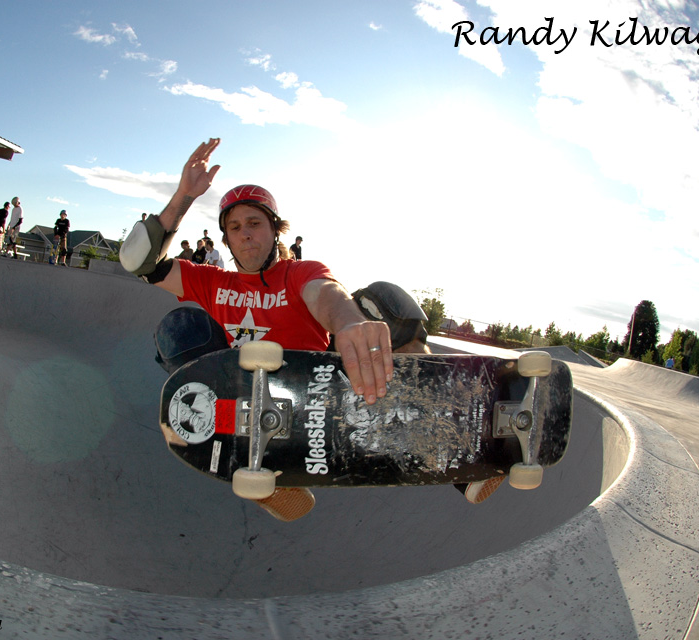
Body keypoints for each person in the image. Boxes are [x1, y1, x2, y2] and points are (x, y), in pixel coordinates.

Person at [119, 139, 485, 520]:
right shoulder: (212, 282)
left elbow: (326, 294)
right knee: (177, 330)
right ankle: (252, 461)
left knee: (383, 299)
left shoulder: (298, 272)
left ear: (274, 230)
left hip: (325, 393)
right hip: (254, 410)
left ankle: (456, 446)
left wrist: (349, 322)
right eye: (235, 227)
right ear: (226, 239)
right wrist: (184, 196)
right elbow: (139, 262)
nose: (245, 234)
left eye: (255, 223)